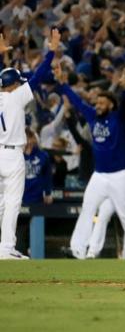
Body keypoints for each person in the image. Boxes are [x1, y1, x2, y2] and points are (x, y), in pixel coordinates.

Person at [57, 56, 125, 259]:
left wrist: (124, 89)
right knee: (88, 207)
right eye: (97, 103)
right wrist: (63, 85)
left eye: (102, 103)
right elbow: (78, 103)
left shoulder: (118, 117)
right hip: (101, 174)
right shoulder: (92, 116)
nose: (97, 105)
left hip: (122, 173)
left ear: (110, 106)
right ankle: (78, 249)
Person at [0, 30, 56, 259]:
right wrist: (51, 53)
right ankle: (6, 249)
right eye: (18, 83)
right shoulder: (16, 96)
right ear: (13, 85)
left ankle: (2, 247)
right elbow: (40, 75)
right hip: (12, 156)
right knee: (12, 203)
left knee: (2, 204)